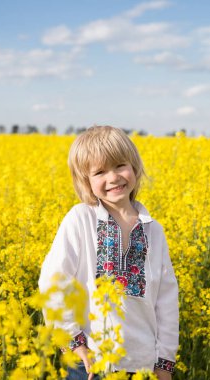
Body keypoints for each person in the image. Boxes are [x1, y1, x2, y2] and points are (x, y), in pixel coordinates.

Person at [38, 126, 179, 380]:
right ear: (86, 182)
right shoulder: (80, 219)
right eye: (100, 172)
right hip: (90, 363)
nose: (113, 178)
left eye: (120, 166)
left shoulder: (154, 231)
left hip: (142, 365)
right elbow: (53, 280)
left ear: (134, 168)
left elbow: (166, 302)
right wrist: (72, 340)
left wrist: (165, 362)